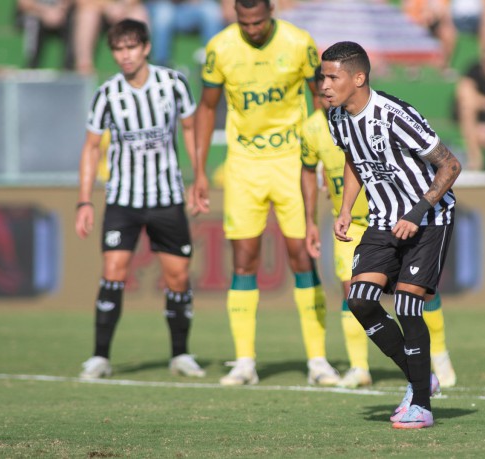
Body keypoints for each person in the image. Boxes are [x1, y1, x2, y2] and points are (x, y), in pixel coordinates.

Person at [191, 0, 340, 387]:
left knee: (302, 257)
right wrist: (200, 171)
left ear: (271, 12)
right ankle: (244, 361)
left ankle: (318, 360)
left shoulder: (298, 43)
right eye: (244, 22)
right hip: (244, 165)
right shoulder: (220, 48)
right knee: (244, 259)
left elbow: (322, 103)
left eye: (258, 21)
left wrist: (324, 158)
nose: (252, 28)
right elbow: (206, 109)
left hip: (292, 161)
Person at [321, 41, 462, 428]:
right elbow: (353, 159)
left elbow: (450, 165)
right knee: (360, 301)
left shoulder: (393, 115)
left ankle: (421, 406)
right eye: (323, 76)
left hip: (430, 218)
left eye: (333, 76)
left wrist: (417, 213)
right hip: (382, 220)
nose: (325, 84)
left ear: (359, 77)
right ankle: (420, 379)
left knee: (407, 304)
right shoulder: (335, 117)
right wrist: (347, 208)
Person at [75, 19, 205, 380]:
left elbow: (192, 130)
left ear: (146, 47)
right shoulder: (106, 94)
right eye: (118, 48)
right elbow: (90, 148)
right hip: (123, 199)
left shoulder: (173, 84)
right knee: (113, 271)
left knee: (178, 277)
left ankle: (180, 354)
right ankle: (100, 356)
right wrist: (84, 200)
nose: (125, 55)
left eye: (131, 47)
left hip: (167, 197)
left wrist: (199, 178)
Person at [146, 0, 230, 68]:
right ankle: (161, 66)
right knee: (163, 15)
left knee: (211, 11)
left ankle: (213, 62)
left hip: (192, 7)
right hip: (164, 6)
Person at [72, 0, 148, 74]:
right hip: (94, 8)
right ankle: (84, 68)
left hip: (122, 7)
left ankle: (138, 68)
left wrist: (123, 6)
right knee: (87, 15)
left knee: (139, 14)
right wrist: (106, 6)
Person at [16, 0, 75, 69]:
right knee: (32, 19)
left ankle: (69, 67)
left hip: (61, 16)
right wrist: (45, 12)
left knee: (76, 20)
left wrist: (60, 10)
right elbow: (24, 4)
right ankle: (32, 63)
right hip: (36, 14)